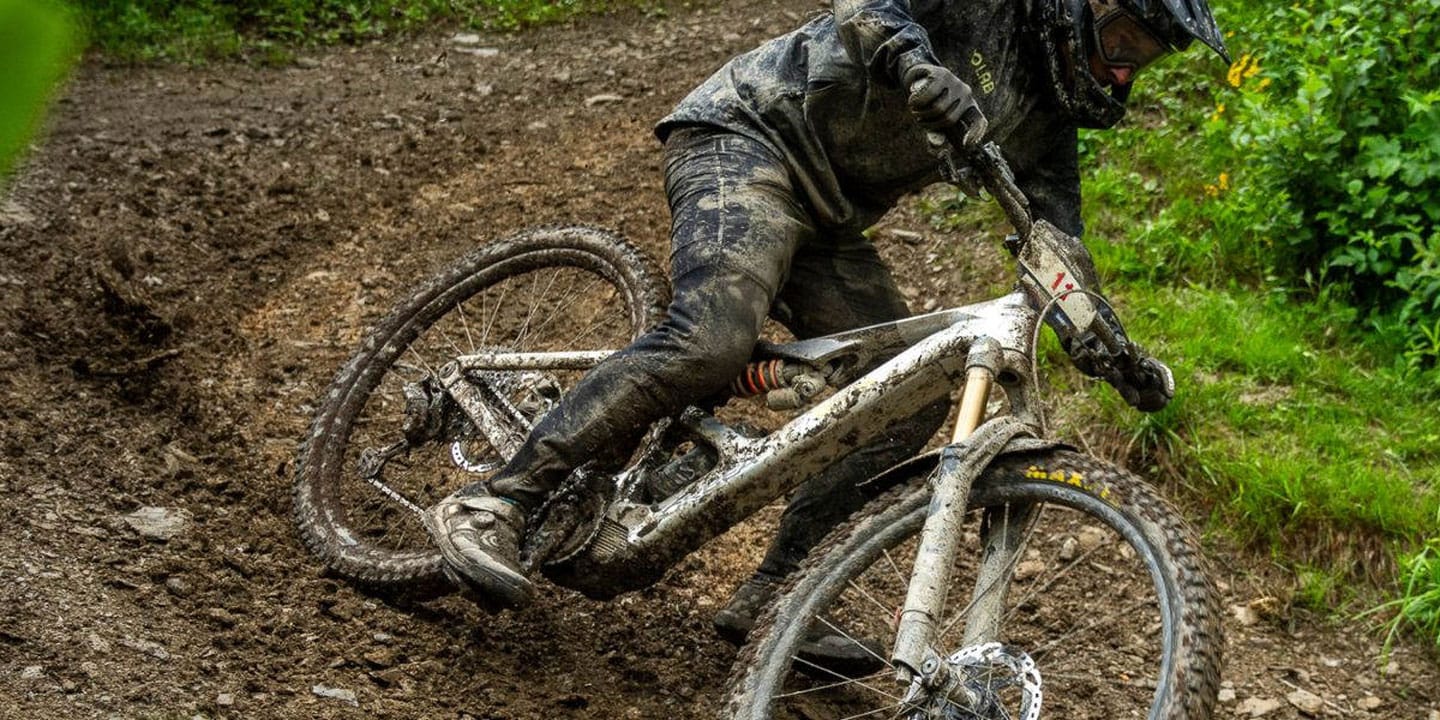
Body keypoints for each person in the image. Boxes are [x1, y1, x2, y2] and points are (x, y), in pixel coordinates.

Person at [423, 0, 1228, 656]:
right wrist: (915, 60)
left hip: (830, 218)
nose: (1125, 68)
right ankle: (496, 501)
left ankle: (782, 595)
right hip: (748, 137)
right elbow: (865, 8)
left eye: (1146, 58)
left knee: (906, 398)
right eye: (1125, 40)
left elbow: (1058, 249)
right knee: (710, 338)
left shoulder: (1048, 120)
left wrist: (1110, 348)